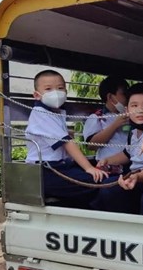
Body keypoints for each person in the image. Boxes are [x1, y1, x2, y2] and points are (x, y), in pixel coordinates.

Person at [90, 83, 143, 214]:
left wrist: (137, 176)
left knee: (131, 195)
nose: (140, 110)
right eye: (134, 106)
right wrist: (107, 161)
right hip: (135, 179)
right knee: (107, 188)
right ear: (127, 110)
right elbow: (127, 154)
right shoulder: (134, 132)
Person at [25, 70, 107, 204]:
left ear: (66, 92)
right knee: (95, 180)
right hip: (46, 170)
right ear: (36, 95)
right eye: (48, 89)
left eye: (60, 88)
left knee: (99, 170)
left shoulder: (55, 112)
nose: (56, 92)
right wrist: (89, 168)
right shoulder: (41, 112)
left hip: (60, 166)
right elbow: (67, 143)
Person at [83, 76, 130, 161]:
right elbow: (91, 145)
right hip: (108, 166)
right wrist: (115, 125)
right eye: (124, 94)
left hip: (129, 164)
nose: (128, 98)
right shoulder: (97, 117)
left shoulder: (130, 115)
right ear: (110, 97)